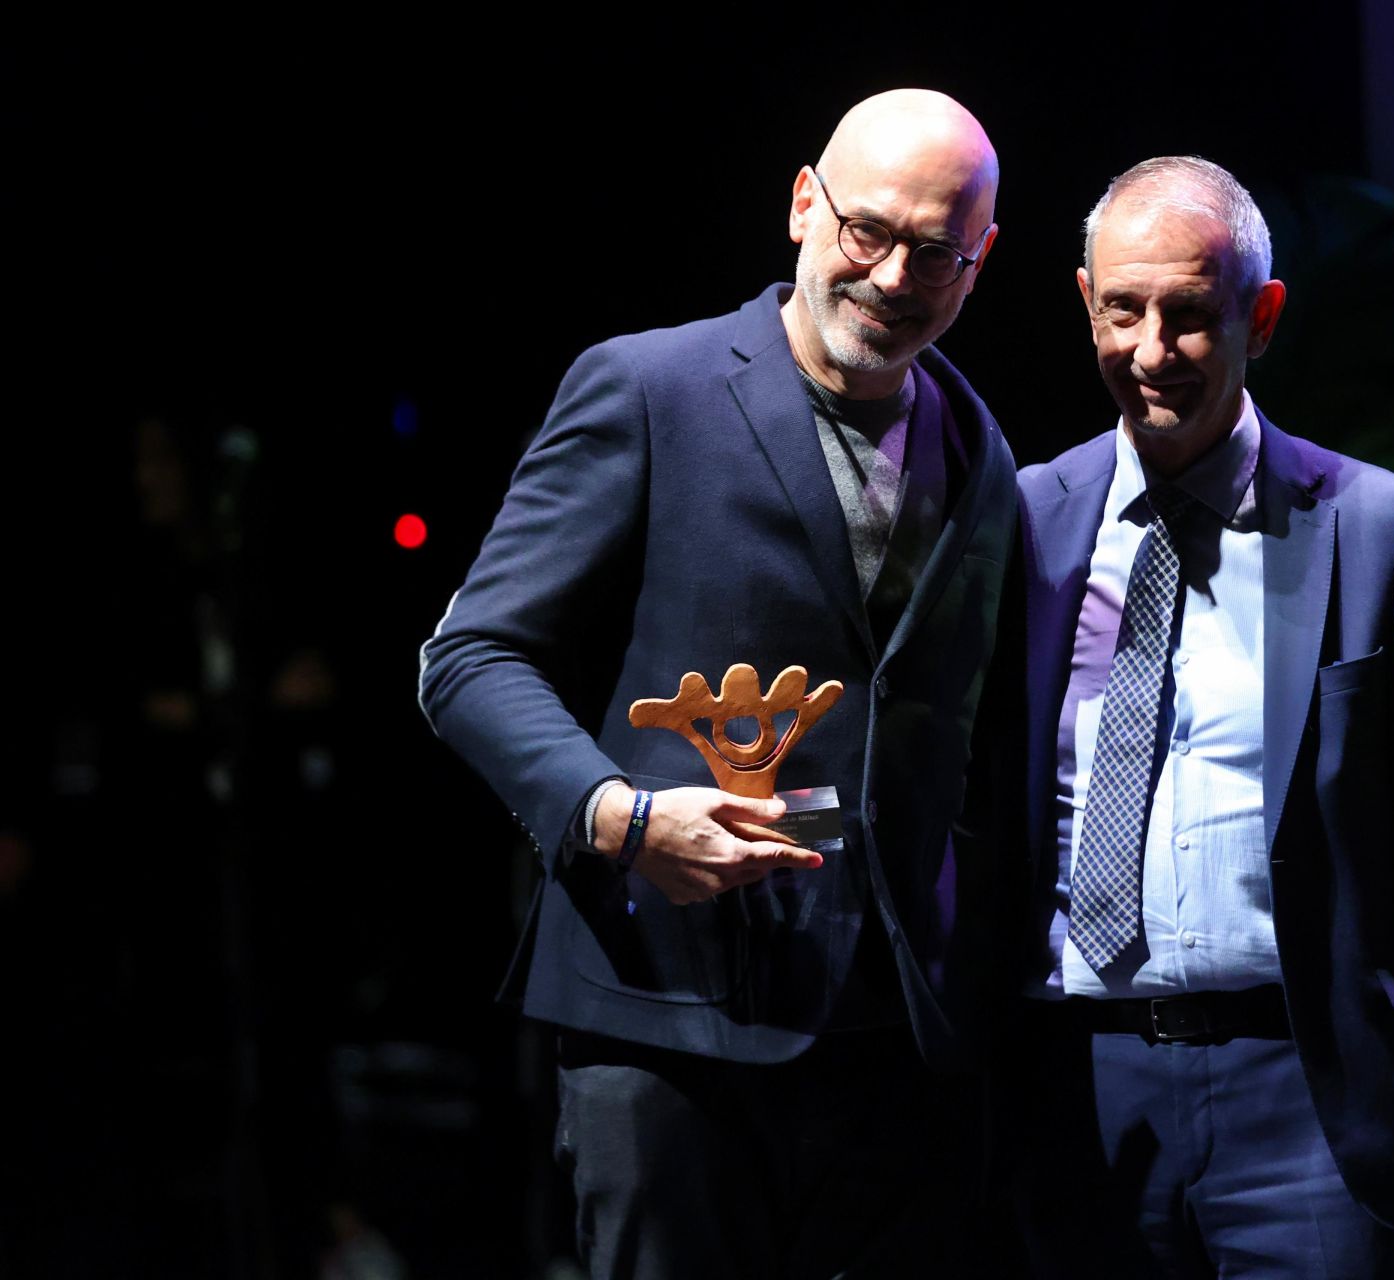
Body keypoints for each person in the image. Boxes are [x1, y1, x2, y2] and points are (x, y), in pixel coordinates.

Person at [417, 90, 1016, 1280]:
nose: (895, 275)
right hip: (666, 1020)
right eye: (867, 231)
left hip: (887, 1044)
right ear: (804, 204)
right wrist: (621, 816)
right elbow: (468, 657)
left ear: (978, 262)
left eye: (935, 252)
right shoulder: (652, 388)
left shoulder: (978, 446)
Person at [1009, 156, 1394, 1278]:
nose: (1151, 352)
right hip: (1081, 1094)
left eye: (1190, 315)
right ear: (1085, 302)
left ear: (1264, 316)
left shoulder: (1380, 529)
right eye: (1123, 311)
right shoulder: (1024, 523)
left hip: (1310, 1097)